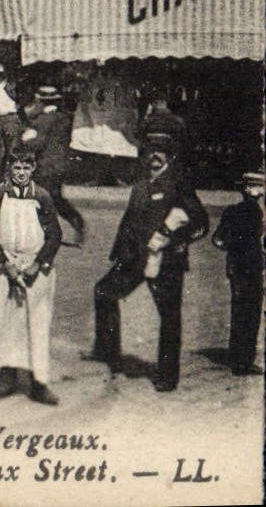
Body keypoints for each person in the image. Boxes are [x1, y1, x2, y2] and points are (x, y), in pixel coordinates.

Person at [88, 132, 208, 392]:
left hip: (165, 260)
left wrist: (176, 240)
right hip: (134, 257)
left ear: (170, 156)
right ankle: (109, 356)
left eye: (160, 151)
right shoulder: (142, 181)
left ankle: (167, 376)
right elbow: (129, 220)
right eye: (150, 150)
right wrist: (121, 251)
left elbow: (201, 223)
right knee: (104, 292)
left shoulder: (178, 183)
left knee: (169, 317)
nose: (154, 156)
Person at [0, 134, 62, 404]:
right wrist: (5, 264)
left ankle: (38, 382)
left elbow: (54, 235)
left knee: (36, 321)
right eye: (16, 167)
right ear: (9, 168)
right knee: (4, 321)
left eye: (26, 167)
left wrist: (38, 264)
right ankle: (7, 376)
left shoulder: (42, 197)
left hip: (35, 267)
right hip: (5, 267)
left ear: (33, 168)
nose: (21, 173)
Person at [212, 170, 264, 376]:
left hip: (236, 267)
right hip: (251, 268)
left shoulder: (231, 211)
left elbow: (218, 240)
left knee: (239, 311)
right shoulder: (256, 212)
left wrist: (233, 249)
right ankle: (244, 361)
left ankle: (236, 358)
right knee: (251, 313)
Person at [25, 85, 85, 243]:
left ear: (41, 102)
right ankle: (75, 220)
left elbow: (37, 144)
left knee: (39, 198)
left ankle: (47, 231)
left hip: (45, 165)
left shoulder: (42, 121)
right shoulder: (63, 118)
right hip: (60, 164)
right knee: (55, 197)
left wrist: (24, 140)